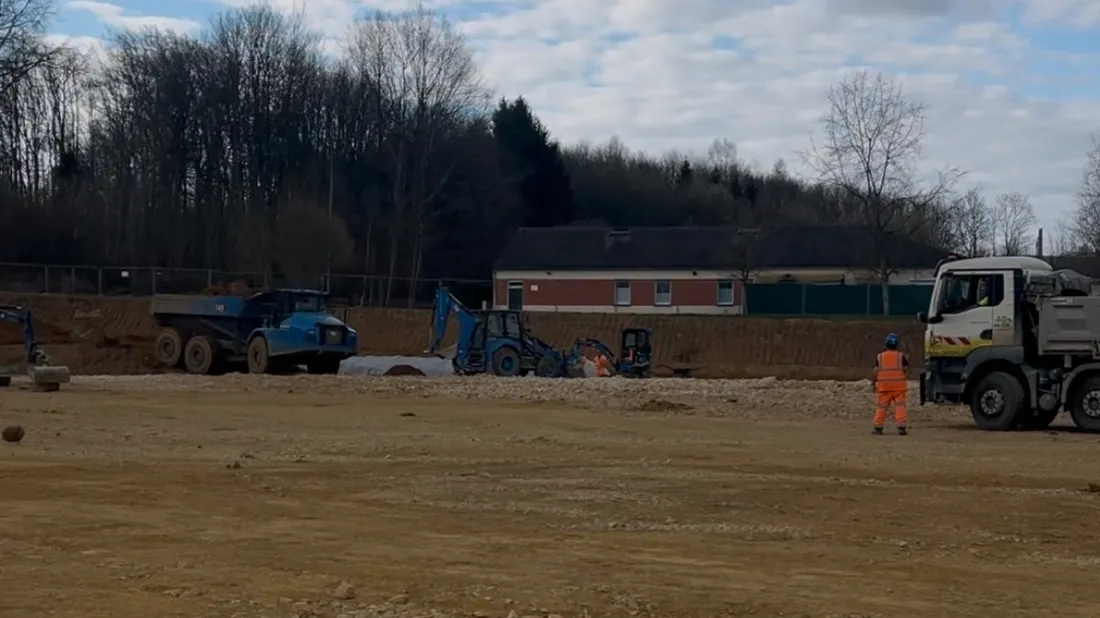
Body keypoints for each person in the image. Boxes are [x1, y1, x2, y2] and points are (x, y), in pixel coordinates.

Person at [873, 332, 909, 435]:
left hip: (884, 387)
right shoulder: (900, 356)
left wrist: (874, 383)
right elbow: (905, 369)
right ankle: (901, 427)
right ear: (897, 344)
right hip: (898, 387)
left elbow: (876, 371)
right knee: (900, 406)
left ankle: (878, 427)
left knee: (882, 407)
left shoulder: (880, 356)